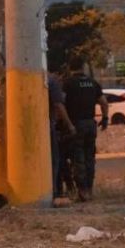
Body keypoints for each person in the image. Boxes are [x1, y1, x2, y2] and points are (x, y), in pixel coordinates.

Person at [62, 56, 108, 202]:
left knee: (78, 158)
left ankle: (82, 191)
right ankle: (89, 188)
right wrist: (105, 118)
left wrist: (67, 123)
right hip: (90, 123)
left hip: (76, 124)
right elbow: (104, 102)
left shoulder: (68, 84)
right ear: (83, 67)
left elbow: (61, 104)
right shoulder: (93, 83)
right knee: (90, 157)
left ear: (70, 68)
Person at [48, 72, 76, 207]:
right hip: (48, 127)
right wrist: (70, 125)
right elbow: (59, 105)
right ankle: (53, 192)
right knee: (55, 161)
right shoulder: (51, 81)